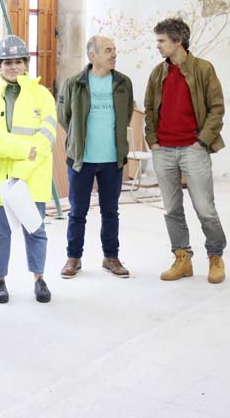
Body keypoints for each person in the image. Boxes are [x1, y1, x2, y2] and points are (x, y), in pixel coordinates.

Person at [0, 35, 57, 304]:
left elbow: (46, 138)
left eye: (18, 61)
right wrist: (23, 149)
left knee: (36, 230)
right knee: (0, 232)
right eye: (7, 62)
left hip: (31, 176)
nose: (13, 67)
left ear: (25, 64)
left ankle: (39, 278)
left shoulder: (42, 95)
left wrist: (21, 168)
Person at [144, 18, 227, 284]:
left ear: (178, 41)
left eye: (162, 41)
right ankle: (182, 258)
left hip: (193, 148)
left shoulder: (203, 69)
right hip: (164, 150)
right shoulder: (158, 73)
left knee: (205, 209)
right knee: (171, 209)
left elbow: (217, 108)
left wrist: (201, 141)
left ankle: (215, 256)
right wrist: (153, 141)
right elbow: (149, 109)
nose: (158, 46)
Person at [57, 35, 134, 279]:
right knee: (77, 211)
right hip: (82, 159)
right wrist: (78, 139)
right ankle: (73, 257)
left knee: (110, 211)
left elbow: (127, 113)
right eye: (108, 50)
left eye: (114, 49)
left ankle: (111, 257)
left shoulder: (123, 82)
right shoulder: (74, 83)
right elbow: (64, 116)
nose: (114, 54)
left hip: (112, 159)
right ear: (92, 55)